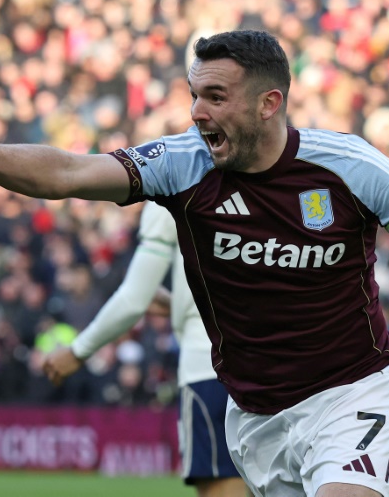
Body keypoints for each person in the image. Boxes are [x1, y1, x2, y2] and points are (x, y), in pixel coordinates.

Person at [0, 30, 389, 497]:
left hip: (353, 394)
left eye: (216, 97)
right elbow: (66, 171)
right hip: (254, 416)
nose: (198, 112)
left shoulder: (351, 167)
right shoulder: (180, 163)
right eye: (194, 95)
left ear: (269, 103)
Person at [43, 201, 249, 496]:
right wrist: (180, 305)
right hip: (280, 369)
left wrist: (78, 351)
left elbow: (135, 299)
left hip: (209, 368)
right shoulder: (281, 178)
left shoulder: (177, 179)